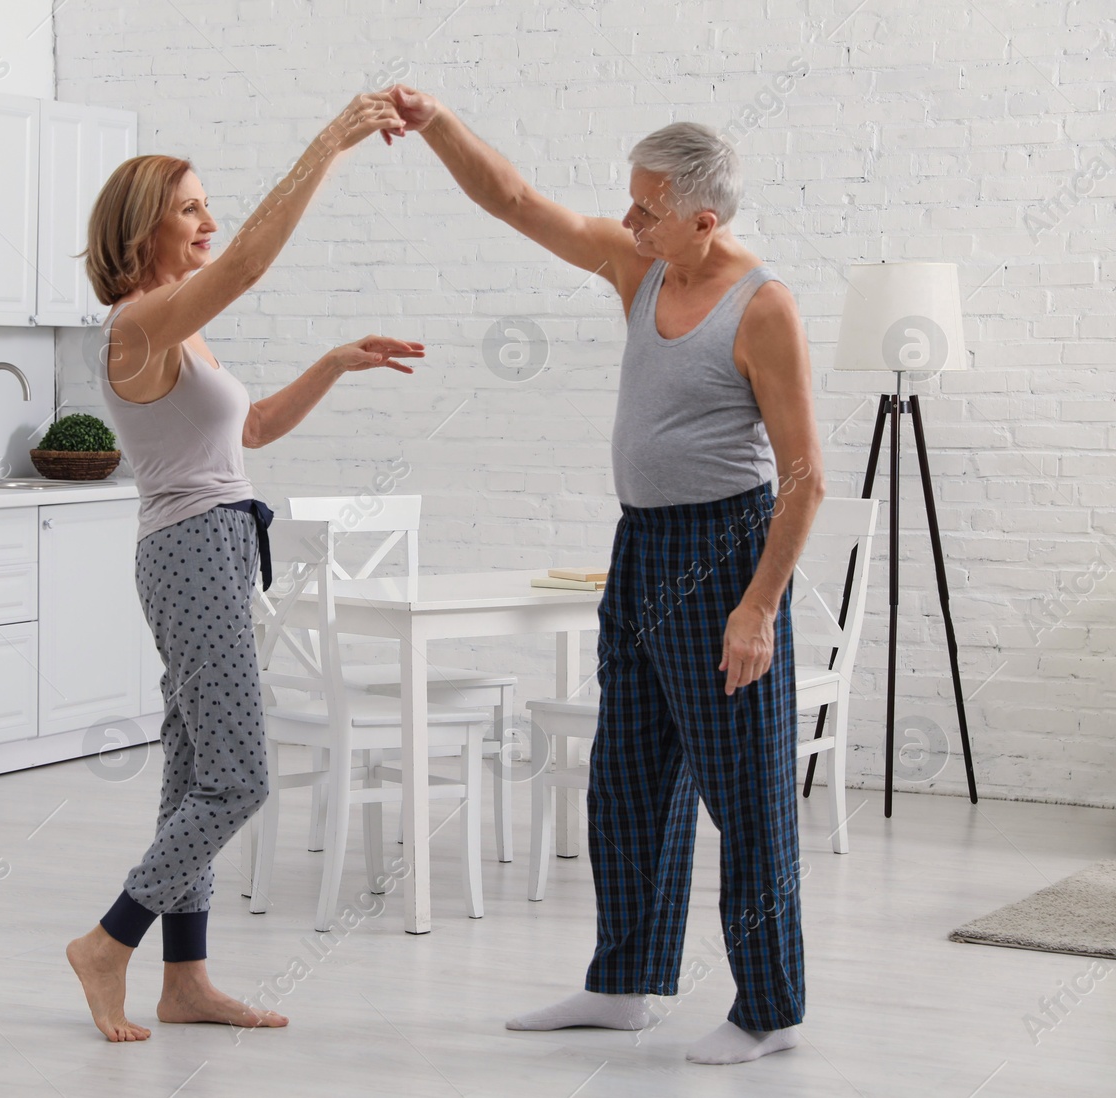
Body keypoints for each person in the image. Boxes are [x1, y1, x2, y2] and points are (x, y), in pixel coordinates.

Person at [388, 85, 824, 1066]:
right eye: (628, 202)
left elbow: (804, 480)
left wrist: (757, 608)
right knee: (625, 781)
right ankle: (624, 983)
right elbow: (513, 201)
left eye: (646, 208)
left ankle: (769, 1009)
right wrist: (438, 124)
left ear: (702, 221)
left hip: (724, 556)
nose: (625, 220)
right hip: (639, 551)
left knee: (745, 795)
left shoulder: (764, 309)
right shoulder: (637, 268)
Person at [65, 94, 425, 1043]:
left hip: (215, 544)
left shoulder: (181, 333)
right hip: (191, 552)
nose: (209, 222)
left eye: (208, 206)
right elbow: (253, 261)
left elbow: (251, 429)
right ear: (143, 226)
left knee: (196, 772)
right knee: (240, 776)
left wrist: (335, 363)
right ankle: (111, 942)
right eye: (190, 208)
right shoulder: (136, 326)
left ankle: (187, 979)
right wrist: (331, 142)